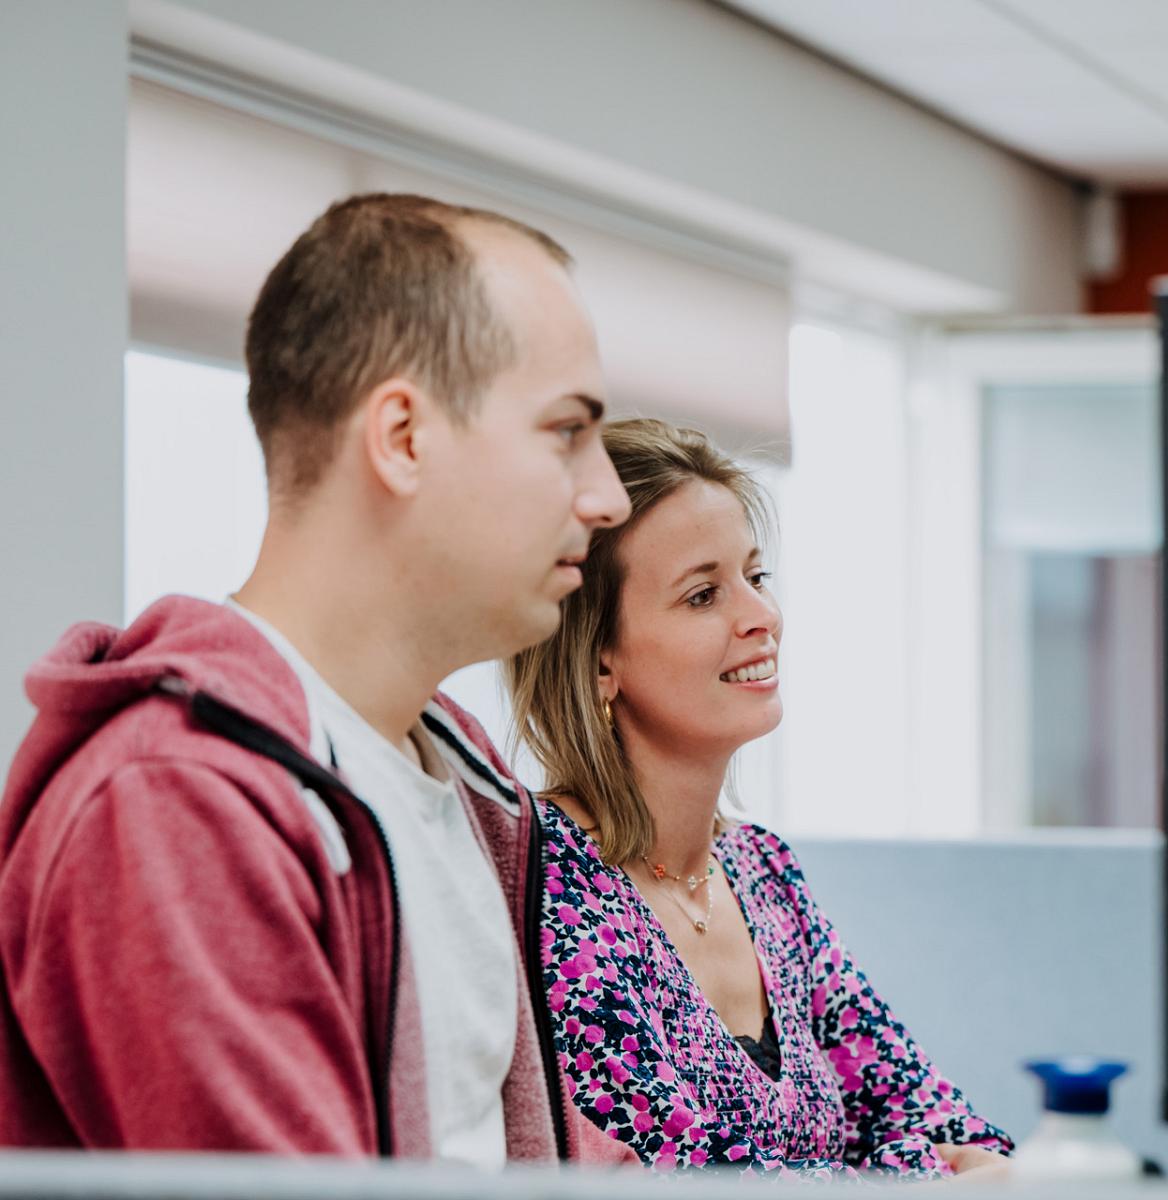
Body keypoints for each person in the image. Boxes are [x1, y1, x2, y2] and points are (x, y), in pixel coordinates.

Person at [0, 194, 635, 1164]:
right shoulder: (177, 805)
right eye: (566, 432)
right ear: (403, 438)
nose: (608, 496)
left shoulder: (460, 782)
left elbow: (540, 1159)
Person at [506, 418, 1014, 1179]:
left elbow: (928, 1110)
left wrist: (939, 1165)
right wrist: (927, 1177)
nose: (762, 616)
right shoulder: (552, 884)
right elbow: (688, 1181)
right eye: (703, 594)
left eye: (756, 576)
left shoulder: (762, 871)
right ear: (598, 659)